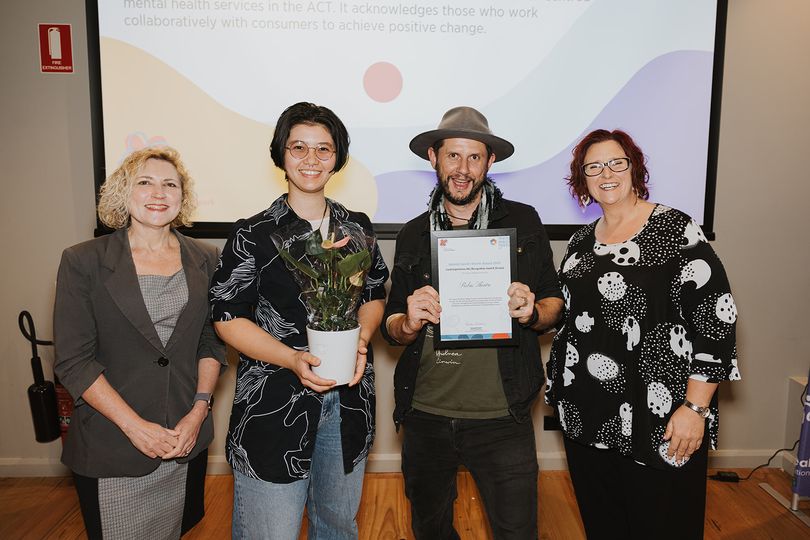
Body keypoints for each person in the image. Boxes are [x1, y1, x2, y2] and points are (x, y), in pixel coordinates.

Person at [546, 129, 741, 539]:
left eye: (617, 162)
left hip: (662, 417)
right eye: (593, 167)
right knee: (605, 526)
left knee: (663, 526)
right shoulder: (580, 242)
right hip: (586, 417)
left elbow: (716, 321)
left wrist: (696, 409)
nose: (607, 173)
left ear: (635, 169)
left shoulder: (676, 230)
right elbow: (569, 321)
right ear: (582, 181)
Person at [381, 106, 564, 539]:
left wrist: (532, 310)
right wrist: (407, 322)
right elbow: (391, 326)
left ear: (490, 161)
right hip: (425, 412)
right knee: (431, 530)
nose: (462, 170)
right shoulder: (412, 233)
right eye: (453, 157)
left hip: (503, 415)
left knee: (517, 531)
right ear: (433, 158)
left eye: (474, 157)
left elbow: (555, 304)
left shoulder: (523, 221)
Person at [209, 102, 389, 540]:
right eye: (299, 147)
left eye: (323, 149)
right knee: (270, 533)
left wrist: (361, 339)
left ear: (338, 158)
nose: (311, 159)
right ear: (281, 155)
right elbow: (227, 316)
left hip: (348, 402)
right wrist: (291, 359)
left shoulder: (357, 228)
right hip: (273, 404)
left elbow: (375, 293)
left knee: (337, 527)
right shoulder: (252, 233)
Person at [53, 146, 227, 539]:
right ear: (123, 192)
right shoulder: (83, 261)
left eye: (170, 184)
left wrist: (197, 414)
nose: (158, 192)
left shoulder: (207, 259)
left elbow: (211, 344)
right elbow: (74, 361)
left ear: (183, 197)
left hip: (184, 438)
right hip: (114, 442)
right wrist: (136, 428)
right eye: (144, 182)